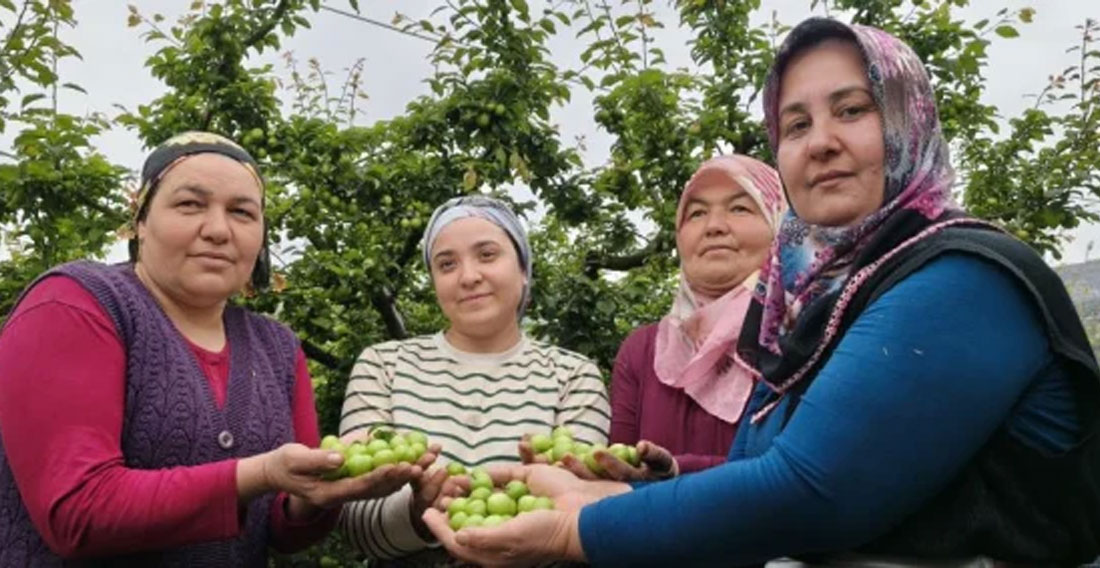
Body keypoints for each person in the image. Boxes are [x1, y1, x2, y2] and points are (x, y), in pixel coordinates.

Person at [422, 17, 1100, 567]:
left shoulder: (962, 278)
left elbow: (809, 492)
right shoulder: (816, 306)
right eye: (796, 125)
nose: (821, 143)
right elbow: (757, 469)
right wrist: (601, 488)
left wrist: (579, 527)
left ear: (908, 119)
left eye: (853, 110)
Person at [0, 132, 430, 565]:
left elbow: (279, 531)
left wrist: (316, 495)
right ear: (140, 220)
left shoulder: (277, 348)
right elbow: (77, 512)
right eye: (190, 204)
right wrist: (261, 473)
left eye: (242, 212)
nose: (217, 229)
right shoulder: (75, 306)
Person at [336, 195, 611, 564]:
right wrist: (417, 513)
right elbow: (354, 521)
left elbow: (579, 514)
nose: (469, 277)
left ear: (524, 269)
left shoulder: (574, 376)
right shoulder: (383, 365)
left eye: (487, 255)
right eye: (446, 264)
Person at [600, 154, 785, 480]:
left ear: (779, 223)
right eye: (697, 213)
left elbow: (799, 473)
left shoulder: (802, 335)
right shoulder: (643, 351)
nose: (714, 226)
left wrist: (677, 471)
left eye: (740, 208)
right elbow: (620, 469)